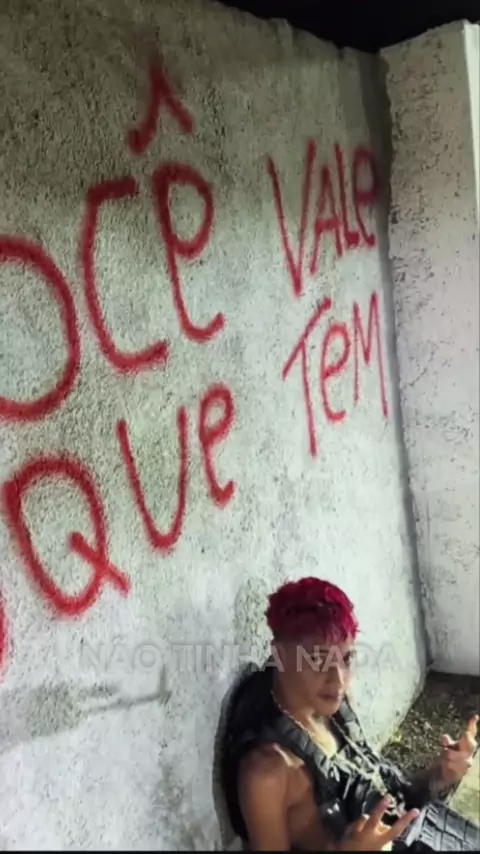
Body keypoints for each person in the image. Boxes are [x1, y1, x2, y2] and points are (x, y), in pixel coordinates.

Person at [219, 577, 479, 851]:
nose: (339, 680)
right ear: (280, 655)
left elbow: (392, 798)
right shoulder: (268, 772)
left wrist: (442, 773)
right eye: (318, 660)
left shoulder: (334, 706)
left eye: (346, 659)